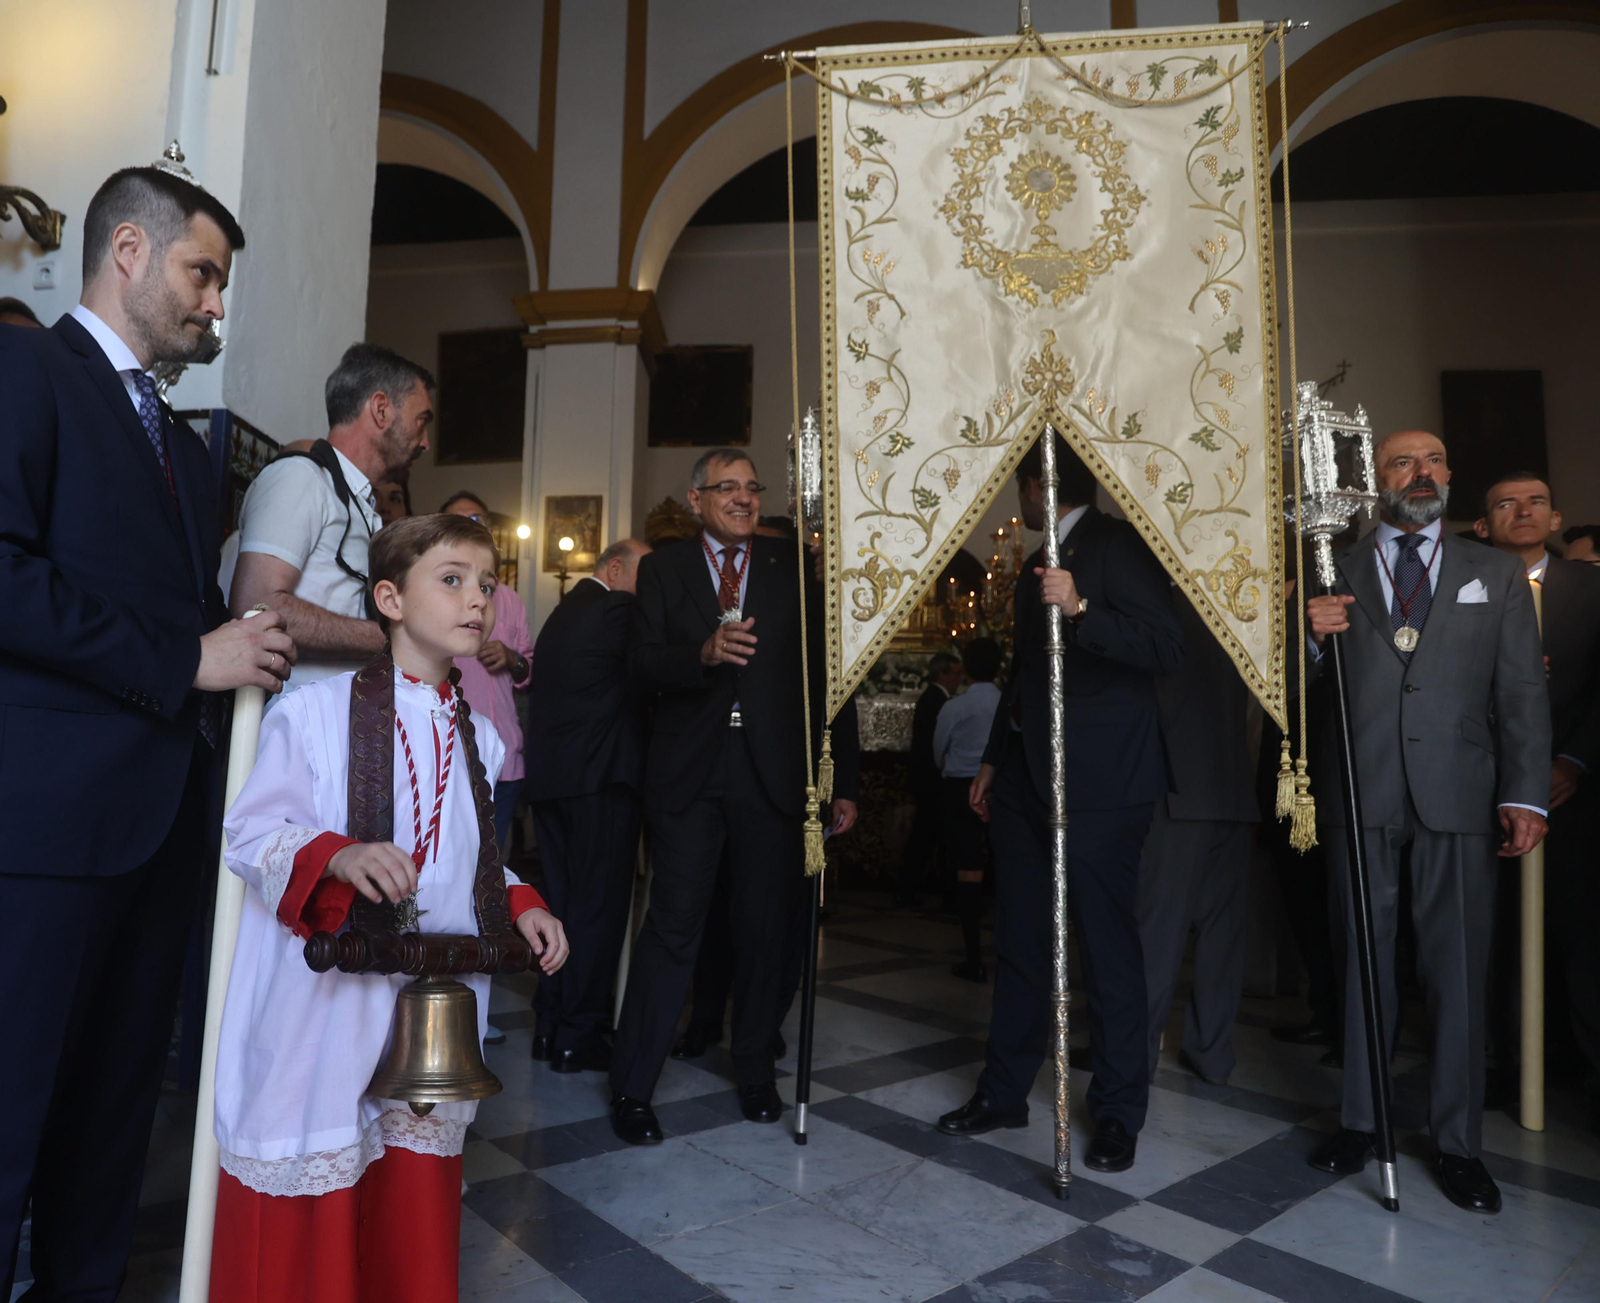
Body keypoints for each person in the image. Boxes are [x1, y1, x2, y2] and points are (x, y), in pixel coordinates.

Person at [0, 164, 294, 1300]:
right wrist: (186, 659)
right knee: (13, 1109)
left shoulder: (182, 444)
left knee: (112, 1128)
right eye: (202, 274)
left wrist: (228, 641)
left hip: (160, 829)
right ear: (128, 250)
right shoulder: (27, 370)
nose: (216, 304)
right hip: (44, 831)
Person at [208, 513, 567, 1299]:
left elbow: (474, 863)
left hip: (424, 1010)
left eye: (486, 581)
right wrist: (337, 852)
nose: (477, 598)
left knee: (407, 1192)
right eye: (452, 578)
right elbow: (253, 833)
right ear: (389, 598)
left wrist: (525, 903)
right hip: (325, 1004)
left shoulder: (479, 735)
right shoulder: (314, 713)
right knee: (317, 1167)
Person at [1304, 430, 1549, 1215]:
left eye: (1436, 459)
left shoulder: (1496, 572)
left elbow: (1520, 693)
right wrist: (1310, 641)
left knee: (1459, 969)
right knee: (1360, 962)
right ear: (1374, 480)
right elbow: (1287, 685)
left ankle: (1457, 1143)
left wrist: (1526, 791)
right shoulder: (1327, 567)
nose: (1422, 472)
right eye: (1402, 462)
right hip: (1361, 787)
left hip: (1459, 792)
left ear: (1451, 474)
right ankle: (1359, 1121)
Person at [938, 433, 1184, 1176]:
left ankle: (1116, 1111)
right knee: (1020, 939)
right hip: (1023, 778)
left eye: (1023, 487)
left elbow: (1166, 645)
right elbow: (1024, 669)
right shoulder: (1034, 565)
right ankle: (1004, 1090)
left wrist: (1081, 610)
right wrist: (991, 758)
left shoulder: (1117, 545)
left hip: (1103, 780)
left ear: (1038, 488)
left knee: (1106, 947)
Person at [608, 449, 860, 1144]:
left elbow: (829, 682)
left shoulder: (790, 573)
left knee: (763, 929)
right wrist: (702, 654)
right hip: (690, 774)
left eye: (752, 488)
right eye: (729, 487)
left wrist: (844, 779)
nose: (744, 498)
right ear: (698, 499)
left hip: (771, 775)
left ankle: (754, 1068)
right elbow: (640, 666)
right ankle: (633, 1084)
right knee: (673, 928)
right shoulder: (664, 569)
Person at [1476, 474, 1600, 1123]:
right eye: (1505, 503)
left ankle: (1587, 1066)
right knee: (1496, 936)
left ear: (1555, 518)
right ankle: (1507, 1064)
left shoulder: (1590, 588)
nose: (1522, 512)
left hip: (1572, 792)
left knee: (1580, 937)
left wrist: (1574, 759)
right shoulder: (1463, 586)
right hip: (1485, 791)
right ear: (1481, 524)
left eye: (1535, 502)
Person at [229, 343, 434, 687]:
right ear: (381, 409)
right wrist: (393, 638)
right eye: (421, 421)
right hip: (295, 728)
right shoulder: (300, 478)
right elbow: (255, 604)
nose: (425, 442)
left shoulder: (362, 504)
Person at [526, 538, 651, 1072]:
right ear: (615, 567)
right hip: (600, 784)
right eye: (648, 574)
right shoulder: (616, 609)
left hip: (553, 783)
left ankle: (550, 1026)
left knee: (557, 908)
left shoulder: (564, 611)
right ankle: (580, 1037)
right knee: (596, 914)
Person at [1137, 594, 1258, 1085]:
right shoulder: (1242, 595)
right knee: (1218, 941)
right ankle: (1211, 1054)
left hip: (1181, 787)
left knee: (1157, 937)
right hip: (1230, 781)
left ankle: (1137, 1055)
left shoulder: (1161, 603)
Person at [441, 491, 534, 852]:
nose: (469, 528)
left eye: (477, 520)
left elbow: (530, 670)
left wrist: (513, 659)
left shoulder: (509, 600)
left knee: (495, 866)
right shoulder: (430, 594)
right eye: (457, 521)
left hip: (506, 758)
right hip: (451, 757)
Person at [932, 637, 1002, 982]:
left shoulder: (954, 708)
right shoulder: (1007, 704)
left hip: (960, 790)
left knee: (967, 870)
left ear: (966, 670)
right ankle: (1009, 955)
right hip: (1001, 791)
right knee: (1006, 871)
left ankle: (973, 957)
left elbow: (937, 751)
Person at [898, 652, 965, 906]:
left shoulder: (935, 698)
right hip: (932, 780)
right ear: (942, 674)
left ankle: (918, 889)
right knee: (925, 837)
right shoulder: (936, 700)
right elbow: (935, 744)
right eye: (956, 673)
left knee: (929, 836)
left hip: (929, 779)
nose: (960, 678)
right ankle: (911, 890)